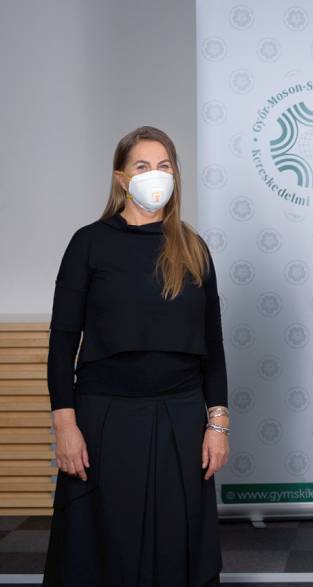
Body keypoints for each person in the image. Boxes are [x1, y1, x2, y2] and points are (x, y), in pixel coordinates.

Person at [43, 126, 229, 586]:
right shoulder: (88, 243)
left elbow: (214, 345)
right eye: (142, 166)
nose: (155, 174)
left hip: (180, 417)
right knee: (103, 549)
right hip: (104, 417)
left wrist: (218, 425)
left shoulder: (193, 247)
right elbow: (62, 343)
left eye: (164, 165)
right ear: (122, 178)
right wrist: (65, 426)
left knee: (177, 544)